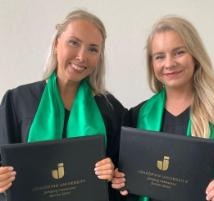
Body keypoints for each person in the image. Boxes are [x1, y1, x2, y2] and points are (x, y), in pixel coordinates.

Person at [111, 16, 214, 201]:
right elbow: (127, 183)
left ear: (195, 56)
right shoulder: (136, 117)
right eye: (159, 56)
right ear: (152, 64)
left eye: (179, 52)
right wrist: (120, 180)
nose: (169, 63)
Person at [0, 9, 126, 201]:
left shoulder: (110, 108)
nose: (82, 56)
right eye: (74, 43)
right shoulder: (17, 101)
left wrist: (113, 173)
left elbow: (122, 174)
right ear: (56, 43)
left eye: (92, 49)